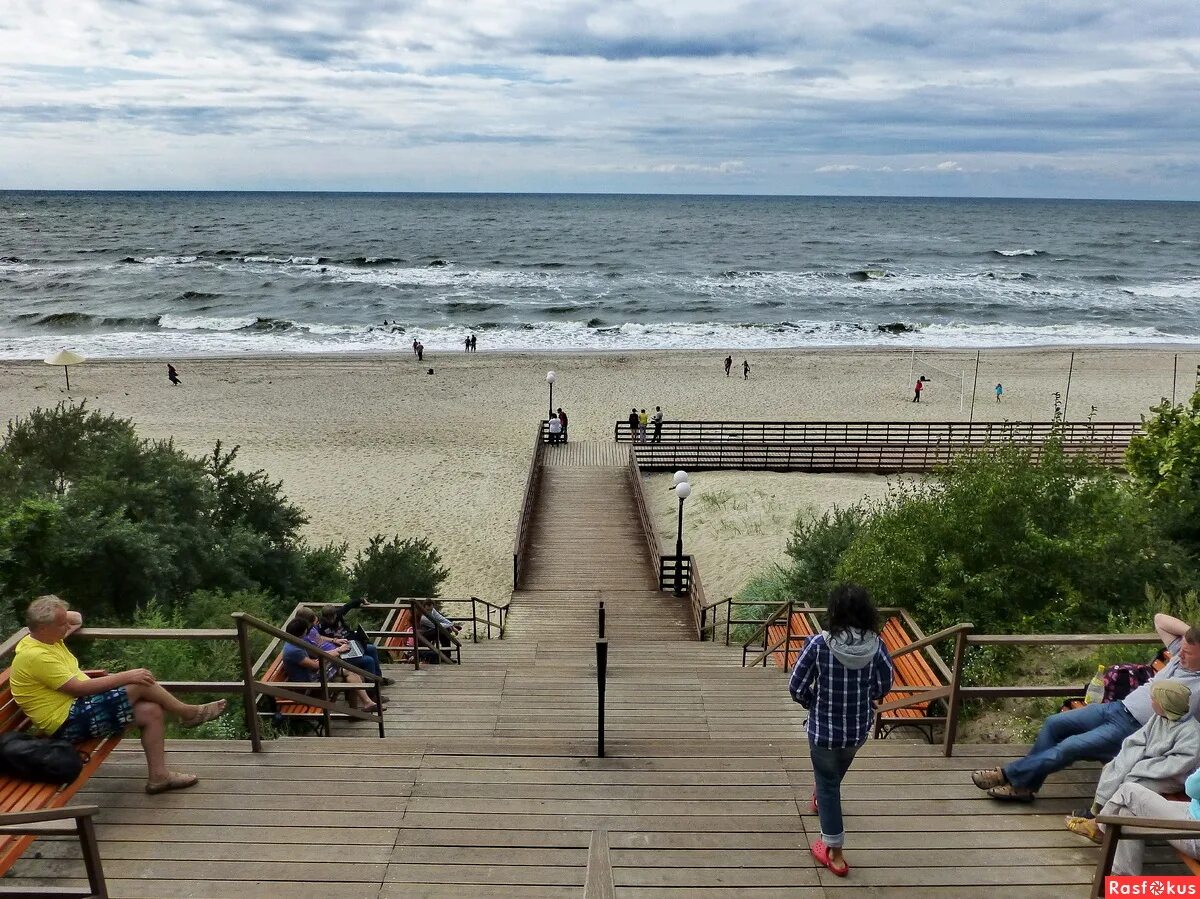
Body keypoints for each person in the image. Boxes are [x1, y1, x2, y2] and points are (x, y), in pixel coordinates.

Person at [11, 595, 226, 795]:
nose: (67, 626)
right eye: (61, 624)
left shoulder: (48, 638)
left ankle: (159, 777)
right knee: (139, 683)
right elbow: (78, 688)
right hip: (67, 723)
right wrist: (126, 676)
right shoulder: (36, 655)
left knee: (151, 711)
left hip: (79, 708)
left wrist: (59, 614)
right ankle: (187, 713)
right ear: (42, 627)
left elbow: (76, 618)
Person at [973, 613, 1200, 802]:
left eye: (1188, 653)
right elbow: (1159, 619)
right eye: (1182, 650)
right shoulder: (1180, 655)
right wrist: (1192, 636)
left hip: (1134, 729)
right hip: (1117, 708)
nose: (1179, 655)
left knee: (1069, 746)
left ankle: (1009, 775)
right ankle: (1025, 786)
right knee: (1055, 723)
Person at [789, 584, 894, 877]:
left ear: (834, 611)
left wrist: (812, 703)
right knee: (832, 777)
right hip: (857, 730)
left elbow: (795, 686)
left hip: (823, 730)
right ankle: (822, 799)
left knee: (828, 783)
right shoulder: (877, 646)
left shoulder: (819, 645)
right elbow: (885, 684)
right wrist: (866, 696)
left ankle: (834, 851)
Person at [1064, 679, 1200, 842]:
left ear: (1166, 704)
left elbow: (1179, 763)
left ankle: (1100, 827)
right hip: (1147, 765)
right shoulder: (1158, 719)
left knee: (1134, 786)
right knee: (1114, 769)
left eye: (1154, 699)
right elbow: (1138, 740)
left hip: (1169, 777)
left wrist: (1143, 766)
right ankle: (1099, 814)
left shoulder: (1191, 732)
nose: (1152, 702)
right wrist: (1130, 760)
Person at [1092, 767, 1200, 875]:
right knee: (1127, 811)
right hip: (1194, 813)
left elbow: (1191, 788)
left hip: (1194, 834)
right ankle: (1123, 876)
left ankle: (1101, 828)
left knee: (1129, 791)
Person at [281, 617, 382, 712]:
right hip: (310, 686)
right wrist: (337, 652)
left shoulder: (295, 642)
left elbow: (315, 661)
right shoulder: (294, 650)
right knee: (349, 670)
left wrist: (332, 653)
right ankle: (362, 706)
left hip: (313, 675)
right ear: (302, 632)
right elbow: (316, 665)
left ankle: (365, 704)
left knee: (352, 673)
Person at [315, 603, 394, 686]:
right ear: (324, 617)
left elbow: (349, 605)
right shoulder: (320, 624)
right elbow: (318, 637)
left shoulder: (339, 613)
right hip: (338, 650)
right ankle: (372, 688)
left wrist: (361, 600)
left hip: (349, 643)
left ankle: (378, 679)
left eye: (332, 618)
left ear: (335, 614)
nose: (331, 621)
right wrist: (334, 640)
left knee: (372, 648)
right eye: (328, 619)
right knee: (368, 660)